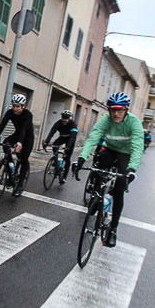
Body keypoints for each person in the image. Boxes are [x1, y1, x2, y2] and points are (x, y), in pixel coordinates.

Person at [72, 92, 144, 248]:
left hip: (126, 154)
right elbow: (92, 138)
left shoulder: (134, 123)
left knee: (119, 190)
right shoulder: (105, 120)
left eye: (120, 110)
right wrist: (81, 158)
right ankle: (96, 197)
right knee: (99, 167)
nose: (116, 113)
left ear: (126, 110)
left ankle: (113, 229)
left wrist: (132, 169)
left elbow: (138, 147)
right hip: (110, 150)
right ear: (109, 110)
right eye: (112, 110)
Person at [0, 94, 34, 196]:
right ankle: (11, 172)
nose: (14, 108)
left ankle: (20, 185)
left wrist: (20, 142)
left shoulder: (28, 114)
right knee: (6, 144)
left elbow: (24, 129)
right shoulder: (10, 112)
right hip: (17, 135)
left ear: (23, 106)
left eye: (17, 106)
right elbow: (2, 124)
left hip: (27, 137)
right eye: (13, 106)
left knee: (23, 159)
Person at [42, 109, 79, 184]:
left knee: (67, 157)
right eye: (63, 118)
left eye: (66, 118)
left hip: (70, 139)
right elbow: (52, 132)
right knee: (55, 144)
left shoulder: (73, 124)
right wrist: (46, 142)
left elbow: (73, 136)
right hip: (62, 137)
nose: (64, 120)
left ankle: (64, 176)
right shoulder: (58, 123)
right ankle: (56, 160)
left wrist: (68, 146)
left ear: (69, 118)